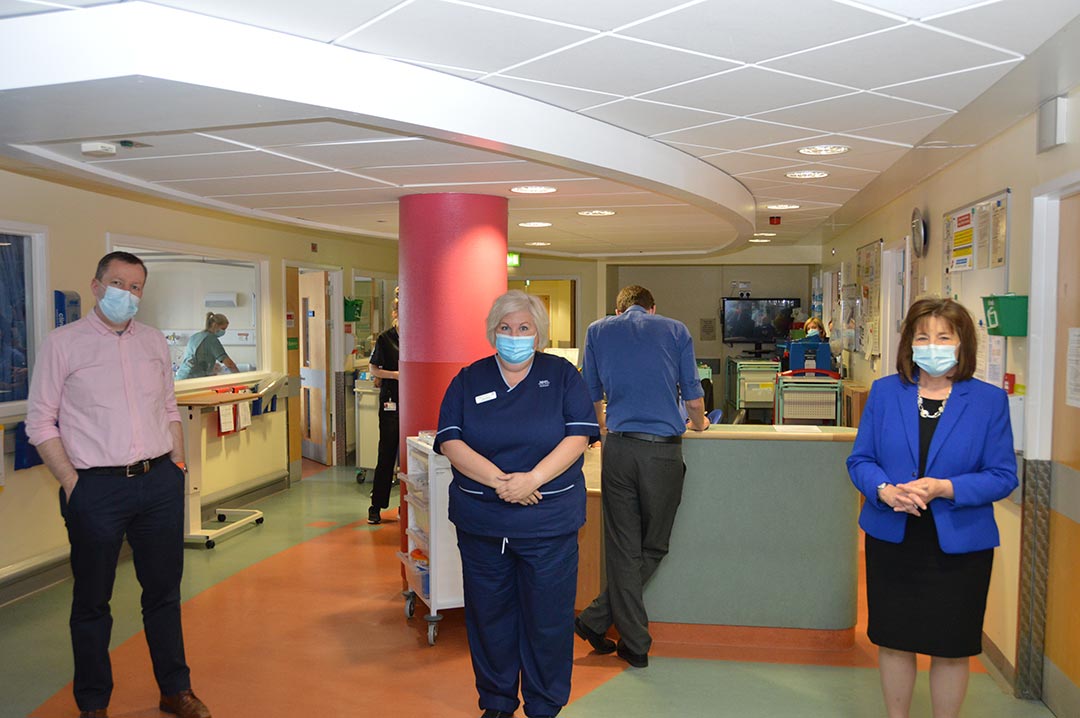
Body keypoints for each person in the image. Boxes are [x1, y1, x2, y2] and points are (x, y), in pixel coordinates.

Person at [26, 251, 212, 718]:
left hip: (158, 484)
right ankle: (93, 704)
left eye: (135, 288)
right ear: (95, 286)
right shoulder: (62, 344)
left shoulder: (153, 342)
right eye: (117, 283)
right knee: (92, 602)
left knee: (164, 594)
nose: (126, 294)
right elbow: (40, 422)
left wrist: (178, 464)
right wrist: (73, 484)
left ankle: (176, 690)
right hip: (95, 490)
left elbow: (169, 408)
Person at [847, 297, 1018, 718]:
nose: (933, 345)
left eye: (944, 336)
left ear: (963, 344)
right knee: (894, 640)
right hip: (893, 536)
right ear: (909, 343)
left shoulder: (988, 401)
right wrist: (884, 490)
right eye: (923, 336)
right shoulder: (887, 393)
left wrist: (946, 487)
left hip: (960, 544)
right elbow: (860, 460)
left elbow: (1002, 475)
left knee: (952, 647)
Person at [434, 290, 598, 718]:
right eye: (505, 328)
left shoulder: (563, 376)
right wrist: (502, 483)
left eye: (524, 328)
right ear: (493, 332)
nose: (514, 335)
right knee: (489, 619)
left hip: (548, 523)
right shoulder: (469, 379)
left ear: (538, 334)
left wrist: (532, 480)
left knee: (548, 620)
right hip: (484, 523)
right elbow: (451, 440)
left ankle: (544, 705)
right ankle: (497, 702)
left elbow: (577, 436)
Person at [575, 285, 710, 668]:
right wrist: (698, 425)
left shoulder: (597, 331)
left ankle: (596, 619)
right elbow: (695, 400)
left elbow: (592, 395)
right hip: (661, 453)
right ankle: (633, 641)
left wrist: (606, 429)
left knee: (622, 547)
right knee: (653, 546)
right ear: (652, 308)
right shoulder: (675, 330)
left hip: (617, 449)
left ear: (619, 311)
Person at [367, 295, 399, 525]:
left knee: (412, 457)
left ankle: (407, 506)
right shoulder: (386, 339)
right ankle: (376, 506)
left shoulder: (419, 336)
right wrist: (396, 375)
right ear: (395, 313)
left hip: (413, 401)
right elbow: (374, 369)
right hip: (391, 401)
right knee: (387, 453)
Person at [174, 312, 239, 379]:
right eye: (223, 329)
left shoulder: (196, 336)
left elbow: (196, 358)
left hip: (181, 377)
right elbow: (230, 364)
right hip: (191, 380)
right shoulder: (211, 339)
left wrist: (210, 368)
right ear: (215, 325)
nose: (224, 332)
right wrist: (240, 377)